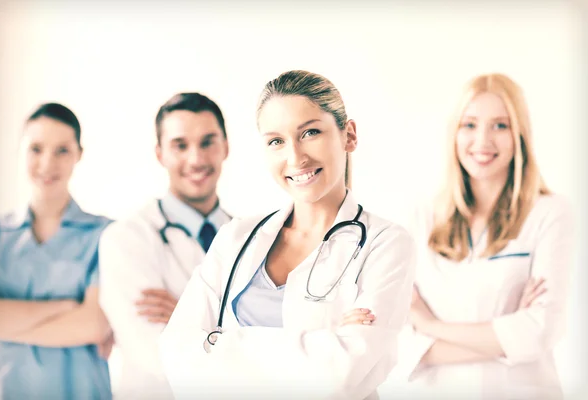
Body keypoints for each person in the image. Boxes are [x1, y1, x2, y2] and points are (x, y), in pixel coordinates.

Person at [158, 70, 416, 400]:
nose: (295, 157)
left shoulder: (386, 243)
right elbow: (178, 355)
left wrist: (219, 342)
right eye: (276, 141)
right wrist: (325, 342)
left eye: (310, 132)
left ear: (348, 135)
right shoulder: (235, 237)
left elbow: (345, 376)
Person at [382, 73, 575, 399]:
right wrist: (509, 335)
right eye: (469, 125)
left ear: (520, 135)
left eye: (500, 125)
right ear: (453, 133)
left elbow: (542, 331)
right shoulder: (420, 216)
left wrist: (430, 328)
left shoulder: (550, 212)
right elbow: (393, 339)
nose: (483, 140)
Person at [98, 93, 231, 399]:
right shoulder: (126, 239)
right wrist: (236, 335)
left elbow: (279, 349)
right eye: (180, 145)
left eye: (208, 141)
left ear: (226, 146)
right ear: (160, 154)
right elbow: (162, 357)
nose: (196, 159)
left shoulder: (254, 240)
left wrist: (185, 317)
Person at [0, 103, 113, 400]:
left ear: (78, 155)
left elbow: (95, 324)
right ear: (20, 151)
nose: (48, 163)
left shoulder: (104, 234)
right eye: (36, 149)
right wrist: (66, 307)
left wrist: (2, 323)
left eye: (62, 150)